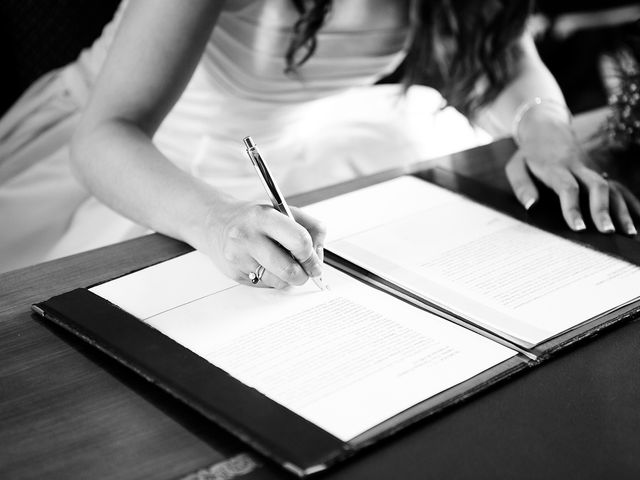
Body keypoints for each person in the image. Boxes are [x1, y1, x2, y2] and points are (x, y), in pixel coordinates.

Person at [0, 0, 637, 284]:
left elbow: (499, 53)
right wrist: (219, 222)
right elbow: (105, 135)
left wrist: (544, 128)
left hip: (284, 148)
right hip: (135, 160)